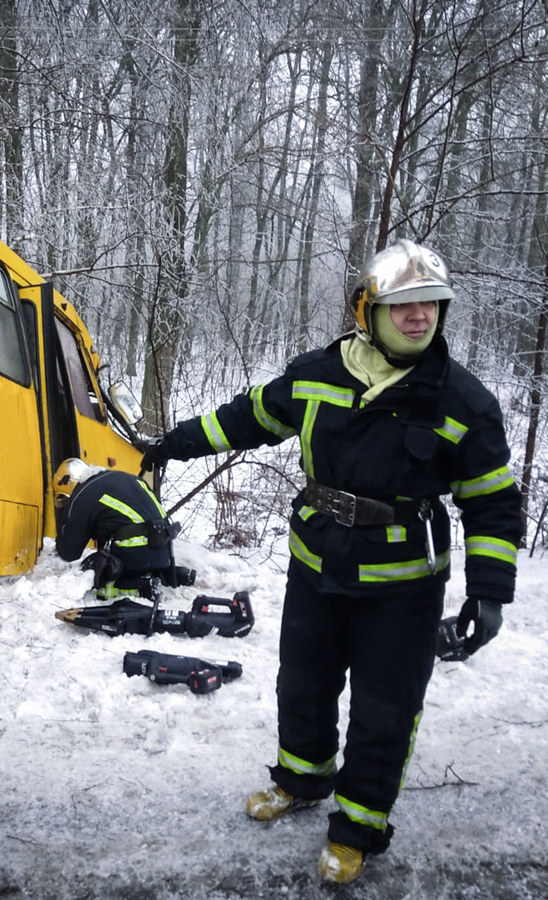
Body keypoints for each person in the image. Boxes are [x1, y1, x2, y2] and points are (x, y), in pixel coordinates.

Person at [140, 239, 522, 883]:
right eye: (403, 305)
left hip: (402, 586)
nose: (420, 316)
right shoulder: (318, 373)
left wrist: (490, 592)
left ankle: (358, 828)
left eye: (431, 304)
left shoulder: (464, 400)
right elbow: (248, 418)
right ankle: (301, 780)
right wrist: (174, 443)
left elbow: (492, 502)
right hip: (316, 565)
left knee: (384, 709)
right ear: (366, 311)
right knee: (303, 683)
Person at [53, 459, 194, 598]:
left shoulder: (82, 494)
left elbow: (69, 553)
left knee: (94, 573)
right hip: (165, 548)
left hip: (136, 551)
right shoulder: (128, 478)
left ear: (70, 483)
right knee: (138, 559)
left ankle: (142, 588)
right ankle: (173, 575)